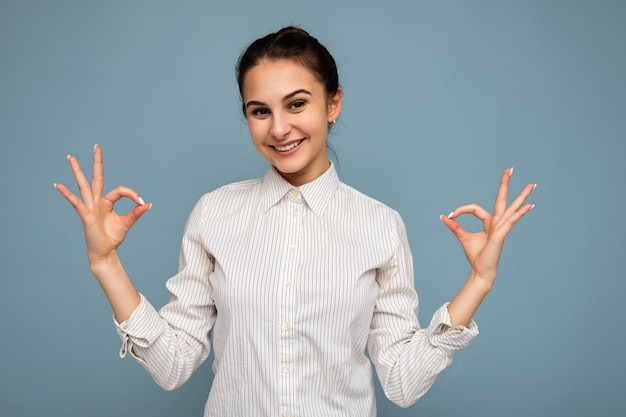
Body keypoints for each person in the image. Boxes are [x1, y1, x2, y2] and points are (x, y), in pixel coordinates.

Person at [54, 26, 535, 417]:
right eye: (259, 111)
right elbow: (173, 365)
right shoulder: (214, 213)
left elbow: (402, 383)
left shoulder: (379, 225)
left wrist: (480, 280)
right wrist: (105, 262)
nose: (279, 128)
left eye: (297, 103)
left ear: (333, 104)